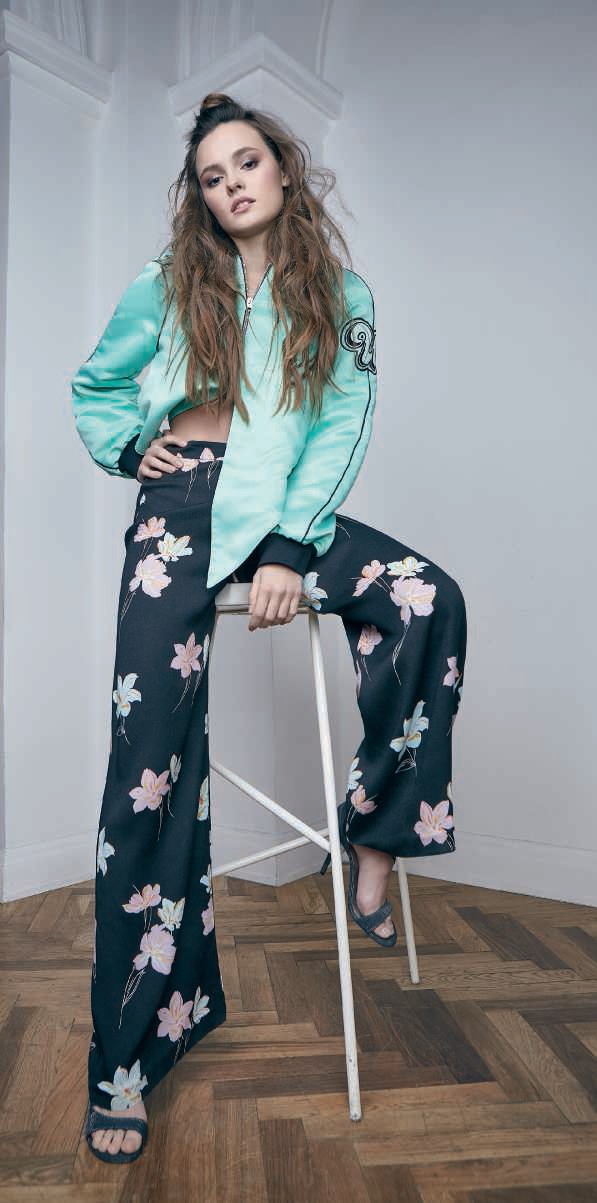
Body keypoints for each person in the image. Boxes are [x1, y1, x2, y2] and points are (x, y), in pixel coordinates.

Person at [71, 92, 467, 1163]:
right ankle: (126, 1057)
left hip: (285, 512)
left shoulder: (342, 294)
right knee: (146, 767)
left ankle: (376, 830)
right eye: (212, 175)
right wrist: (129, 447)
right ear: (200, 197)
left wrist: (293, 544)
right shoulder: (169, 280)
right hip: (180, 512)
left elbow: (342, 423)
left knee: (426, 597)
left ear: (284, 171)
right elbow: (97, 384)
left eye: (246, 162)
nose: (232, 183)